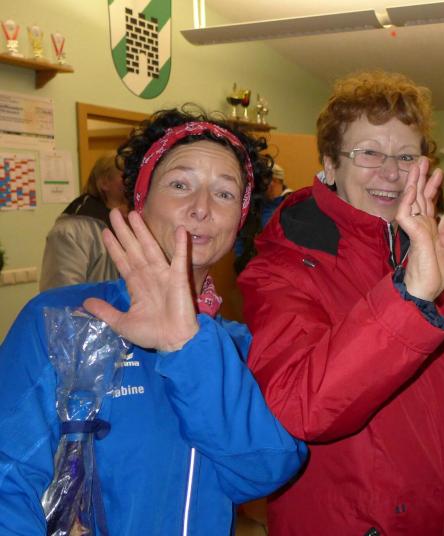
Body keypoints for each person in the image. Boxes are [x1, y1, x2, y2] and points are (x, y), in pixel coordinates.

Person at [0, 108, 307, 535]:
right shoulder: (61, 320)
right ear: (141, 201)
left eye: (224, 193)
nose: (201, 208)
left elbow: (262, 471)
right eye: (180, 184)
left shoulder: (239, 347)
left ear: (238, 221)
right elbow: (7, 480)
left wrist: (186, 346)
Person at [238, 70, 444, 535]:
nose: (391, 172)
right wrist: (409, 298)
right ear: (329, 164)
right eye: (369, 153)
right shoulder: (282, 268)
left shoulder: (420, 251)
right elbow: (298, 407)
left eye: (406, 156)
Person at [39, 153, 129, 290]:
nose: (133, 181)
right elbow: (62, 293)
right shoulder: (72, 230)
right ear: (104, 182)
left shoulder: (138, 221)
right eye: (125, 175)